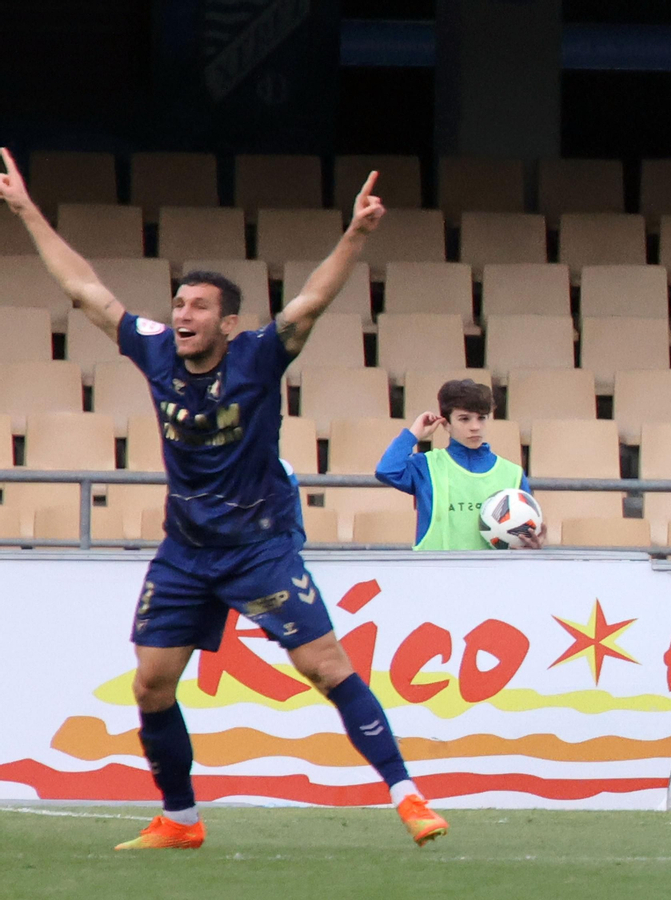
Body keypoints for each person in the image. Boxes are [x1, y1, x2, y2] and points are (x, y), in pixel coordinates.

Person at [0, 149, 449, 850]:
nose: (182, 313)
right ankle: (180, 819)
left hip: (259, 548)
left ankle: (408, 795)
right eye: (179, 302)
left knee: (325, 667)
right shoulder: (154, 351)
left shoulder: (259, 357)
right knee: (151, 687)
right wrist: (26, 211)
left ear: (227, 324)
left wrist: (357, 235)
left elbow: (311, 302)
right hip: (186, 553)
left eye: (198, 306)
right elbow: (87, 291)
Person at [375, 378, 541, 549]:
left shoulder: (512, 473)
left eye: (481, 418)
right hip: (434, 573)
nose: (475, 426)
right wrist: (414, 434)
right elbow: (387, 470)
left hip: (492, 574)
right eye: (464, 419)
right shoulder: (427, 466)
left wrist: (529, 547)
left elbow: (527, 536)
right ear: (446, 424)